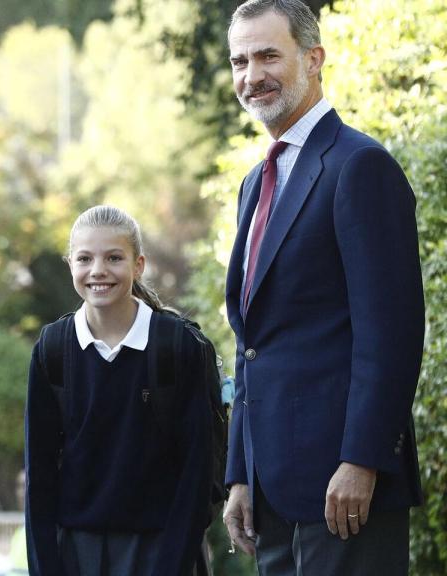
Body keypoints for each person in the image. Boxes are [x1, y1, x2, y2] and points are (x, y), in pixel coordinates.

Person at [220, 1, 424, 574]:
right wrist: (240, 471)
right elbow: (251, 340)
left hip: (347, 489)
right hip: (272, 492)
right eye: (239, 60)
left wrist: (362, 459)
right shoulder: (254, 184)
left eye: (267, 55)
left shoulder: (360, 167)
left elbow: (392, 335)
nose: (251, 75)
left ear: (314, 59)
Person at [25, 206, 213, 576]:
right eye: (85, 258)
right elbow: (39, 475)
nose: (98, 270)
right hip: (77, 551)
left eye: (114, 258)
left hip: (160, 550)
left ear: (138, 264)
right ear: (70, 265)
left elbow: (197, 472)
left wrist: (174, 563)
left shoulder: (177, 345)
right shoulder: (53, 348)